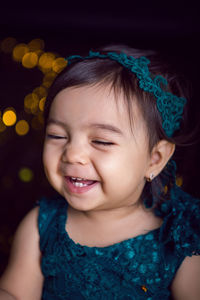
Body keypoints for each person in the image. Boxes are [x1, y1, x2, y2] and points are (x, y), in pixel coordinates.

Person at [0, 44, 199, 300]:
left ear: (155, 160)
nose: (72, 154)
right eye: (57, 135)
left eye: (101, 141)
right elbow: (15, 292)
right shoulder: (42, 225)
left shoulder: (178, 240)